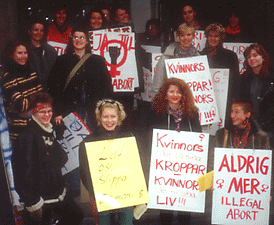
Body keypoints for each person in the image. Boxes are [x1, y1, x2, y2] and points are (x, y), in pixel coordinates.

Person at [12, 92, 83, 225]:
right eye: (42, 112)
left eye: (49, 111)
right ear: (33, 113)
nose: (47, 115)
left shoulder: (46, 131)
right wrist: (34, 203)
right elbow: (22, 174)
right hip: (40, 200)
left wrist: (57, 133)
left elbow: (62, 159)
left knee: (76, 215)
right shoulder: (27, 136)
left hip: (55, 193)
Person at [148, 77, 201, 224]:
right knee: (166, 209)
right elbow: (150, 139)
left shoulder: (193, 114)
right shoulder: (156, 113)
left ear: (184, 95)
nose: (175, 95)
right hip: (165, 168)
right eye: (171, 91)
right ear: (165, 94)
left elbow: (198, 140)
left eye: (178, 92)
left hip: (186, 168)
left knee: (186, 207)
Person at [79, 99, 134, 225]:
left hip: (126, 194)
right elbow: (84, 173)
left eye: (113, 116)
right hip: (101, 195)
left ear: (119, 117)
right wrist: (95, 193)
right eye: (105, 117)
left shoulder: (128, 138)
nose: (109, 121)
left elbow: (136, 167)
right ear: (99, 118)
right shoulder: (88, 142)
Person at [48, 25, 113, 130]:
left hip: (93, 110)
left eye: (82, 37)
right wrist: (57, 112)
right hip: (68, 110)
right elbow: (54, 89)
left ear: (87, 41)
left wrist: (105, 111)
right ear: (71, 40)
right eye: (75, 37)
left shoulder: (98, 61)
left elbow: (107, 88)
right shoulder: (61, 61)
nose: (78, 40)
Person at [1, 40, 43, 145]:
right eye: (19, 53)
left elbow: (44, 98)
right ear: (11, 54)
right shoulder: (7, 76)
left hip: (36, 126)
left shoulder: (31, 71)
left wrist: (31, 100)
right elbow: (21, 105)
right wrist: (36, 99)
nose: (23, 56)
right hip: (19, 131)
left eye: (25, 53)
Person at [200, 23, 240, 128]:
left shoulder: (230, 56)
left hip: (225, 99)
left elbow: (236, 79)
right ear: (207, 37)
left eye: (216, 36)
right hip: (205, 98)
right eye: (210, 35)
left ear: (221, 38)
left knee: (222, 128)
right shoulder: (200, 55)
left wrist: (233, 100)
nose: (213, 38)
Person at [151, 23, 199, 98]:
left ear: (193, 36)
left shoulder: (198, 57)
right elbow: (157, 85)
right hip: (171, 101)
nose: (186, 38)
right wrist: (156, 104)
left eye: (188, 35)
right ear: (178, 37)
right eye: (182, 35)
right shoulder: (167, 56)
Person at [239, 44, 274, 145]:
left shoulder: (271, 79)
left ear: (263, 57)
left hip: (269, 129)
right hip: (249, 128)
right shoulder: (243, 79)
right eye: (249, 57)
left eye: (255, 55)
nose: (252, 59)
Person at [28, 18, 58, 90]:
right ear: (29, 31)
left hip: (48, 90)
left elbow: (56, 72)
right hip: (31, 89)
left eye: (41, 31)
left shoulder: (50, 50)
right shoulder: (25, 50)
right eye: (36, 30)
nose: (39, 33)